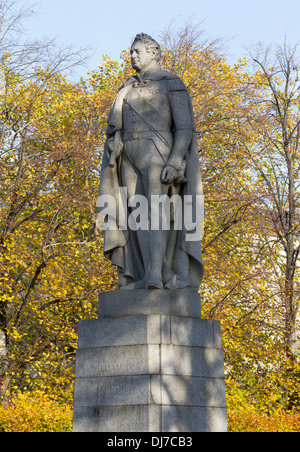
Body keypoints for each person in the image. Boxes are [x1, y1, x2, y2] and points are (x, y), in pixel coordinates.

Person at [99, 33, 204, 290]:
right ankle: (148, 273)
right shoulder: (127, 87)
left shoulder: (171, 83)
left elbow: (185, 128)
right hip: (129, 158)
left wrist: (174, 160)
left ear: (153, 52)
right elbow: (117, 127)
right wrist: (117, 140)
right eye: (131, 52)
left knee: (157, 213)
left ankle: (156, 273)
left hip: (158, 152)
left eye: (137, 51)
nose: (132, 56)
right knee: (135, 217)